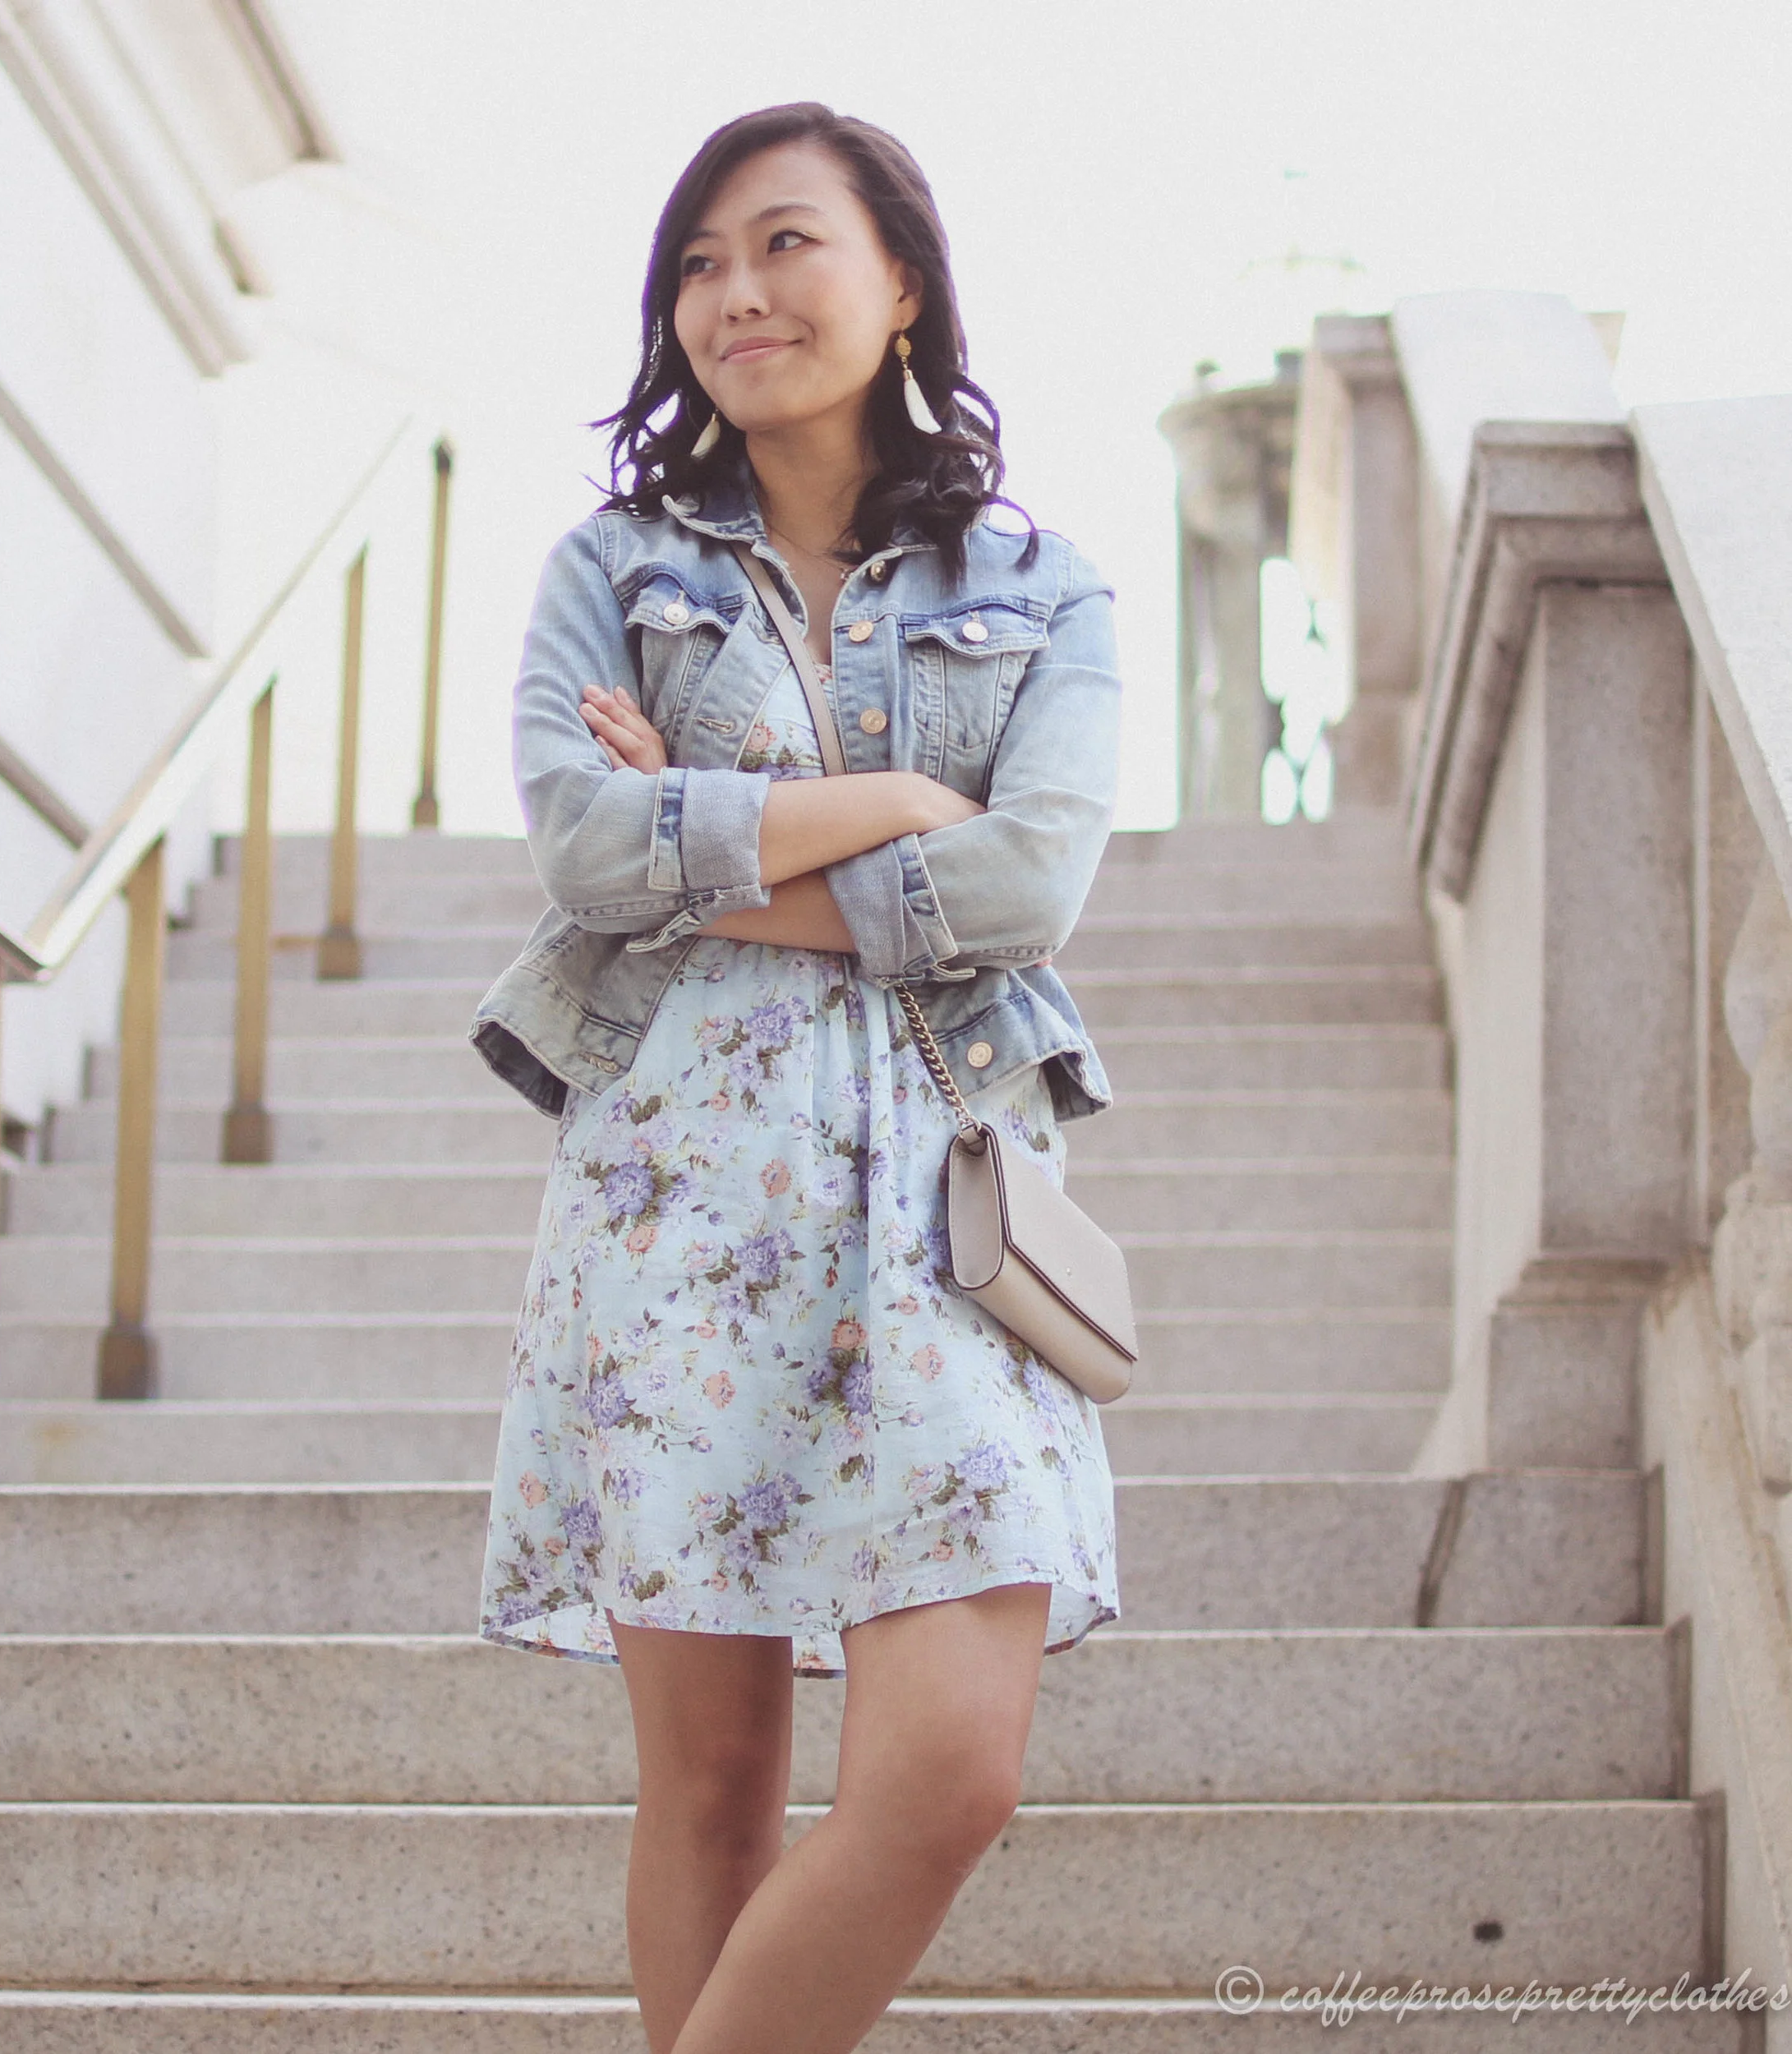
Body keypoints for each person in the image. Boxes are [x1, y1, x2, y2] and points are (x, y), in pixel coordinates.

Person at [468, 100, 1122, 2054]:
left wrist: (714, 832)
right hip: (679, 1200)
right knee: (711, 1788)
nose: (732, 294)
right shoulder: (615, 562)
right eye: (694, 263)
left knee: (946, 1769)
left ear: (899, 281)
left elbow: (1030, 878)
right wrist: (898, 799)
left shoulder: (1043, 581)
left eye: (781, 244)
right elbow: (582, 856)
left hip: (947, 1202)